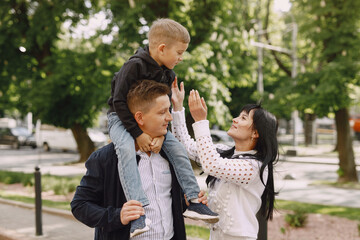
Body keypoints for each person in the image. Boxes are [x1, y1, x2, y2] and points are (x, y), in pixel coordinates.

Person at [107, 18, 218, 237]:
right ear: (162, 48)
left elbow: (161, 114)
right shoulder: (134, 66)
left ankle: (194, 200)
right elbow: (119, 102)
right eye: (179, 52)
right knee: (127, 150)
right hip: (121, 119)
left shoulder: (169, 74)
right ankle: (138, 215)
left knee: (177, 149)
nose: (181, 58)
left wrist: (161, 135)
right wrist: (138, 134)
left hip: (148, 124)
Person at [71, 80, 210, 240]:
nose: (169, 117)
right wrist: (118, 216)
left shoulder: (170, 155)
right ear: (140, 118)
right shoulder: (105, 158)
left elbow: (166, 201)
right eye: (162, 112)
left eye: (169, 111)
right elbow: (79, 205)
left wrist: (185, 203)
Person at [171, 80, 279, 240]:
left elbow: (212, 164)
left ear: (255, 133)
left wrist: (200, 121)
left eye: (243, 118)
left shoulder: (254, 167)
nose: (235, 119)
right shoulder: (223, 152)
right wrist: (178, 107)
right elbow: (185, 145)